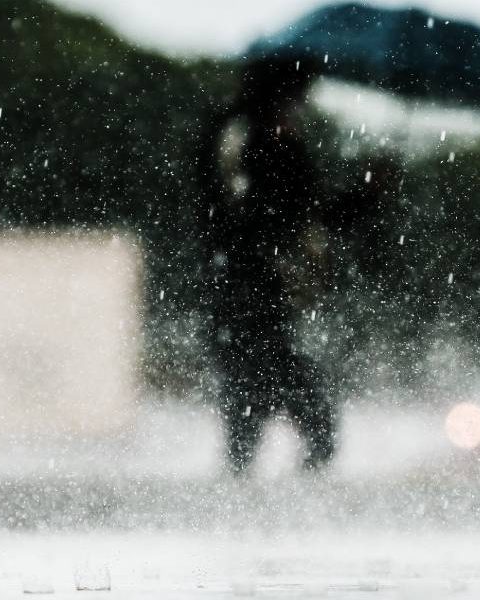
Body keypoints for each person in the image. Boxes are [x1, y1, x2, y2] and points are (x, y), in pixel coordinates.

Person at [199, 63, 335, 473]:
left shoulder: (245, 135)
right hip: (244, 297)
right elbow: (286, 214)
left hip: (248, 299)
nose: (303, 106)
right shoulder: (247, 139)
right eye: (298, 96)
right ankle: (257, 504)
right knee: (287, 413)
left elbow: (300, 214)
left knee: (253, 413)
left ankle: (247, 500)